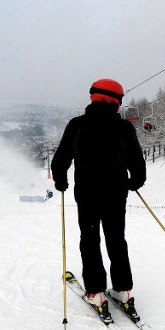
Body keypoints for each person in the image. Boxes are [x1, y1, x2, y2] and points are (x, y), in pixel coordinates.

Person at [51, 79, 146, 310]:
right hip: (115, 195)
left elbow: (61, 158)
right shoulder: (124, 128)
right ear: (115, 101)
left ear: (94, 97)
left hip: (87, 195)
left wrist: (60, 179)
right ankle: (123, 290)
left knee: (90, 240)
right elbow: (137, 162)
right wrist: (135, 181)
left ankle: (95, 292)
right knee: (116, 240)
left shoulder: (77, 125)